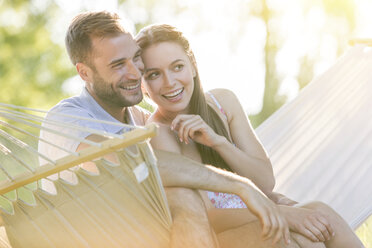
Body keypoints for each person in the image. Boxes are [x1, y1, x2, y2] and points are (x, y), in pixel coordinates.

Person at [38, 11, 291, 248]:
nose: (135, 72)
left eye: (135, 58)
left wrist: (269, 202)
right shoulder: (68, 118)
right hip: (85, 238)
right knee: (180, 196)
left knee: (291, 237)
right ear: (84, 72)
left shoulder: (140, 120)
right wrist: (241, 187)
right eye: (118, 65)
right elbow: (131, 164)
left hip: (152, 235)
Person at [135, 23, 365, 248]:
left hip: (260, 217)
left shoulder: (222, 102)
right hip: (220, 234)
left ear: (193, 66)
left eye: (177, 67)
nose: (169, 82)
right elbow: (201, 214)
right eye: (154, 74)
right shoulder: (158, 134)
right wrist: (280, 213)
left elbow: (265, 181)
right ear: (143, 85)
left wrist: (218, 142)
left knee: (323, 214)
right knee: (304, 238)